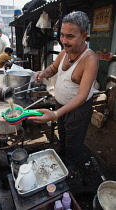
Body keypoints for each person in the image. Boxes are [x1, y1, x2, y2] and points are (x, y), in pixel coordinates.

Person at [29, 11, 99, 173]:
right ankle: (62, 158)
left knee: (74, 142)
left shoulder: (90, 60)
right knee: (63, 136)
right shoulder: (64, 52)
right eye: (61, 35)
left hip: (77, 110)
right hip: (60, 104)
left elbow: (82, 96)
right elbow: (53, 68)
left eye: (70, 36)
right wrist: (43, 73)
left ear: (83, 36)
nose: (64, 41)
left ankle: (71, 171)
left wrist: (54, 115)